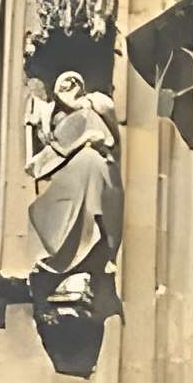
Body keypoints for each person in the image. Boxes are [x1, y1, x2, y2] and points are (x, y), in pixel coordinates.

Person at [26, 71, 122, 306]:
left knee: (90, 165)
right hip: (63, 175)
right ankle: (64, 261)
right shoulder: (53, 115)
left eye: (74, 82)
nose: (69, 85)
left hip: (92, 172)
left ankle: (82, 261)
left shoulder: (92, 108)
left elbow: (107, 133)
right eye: (64, 83)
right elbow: (50, 153)